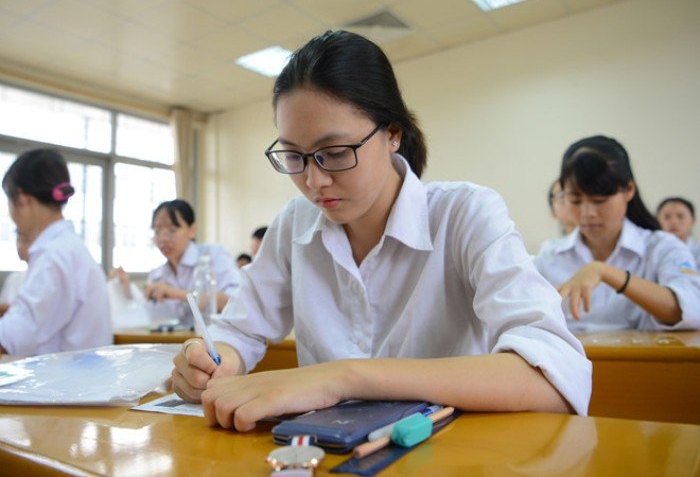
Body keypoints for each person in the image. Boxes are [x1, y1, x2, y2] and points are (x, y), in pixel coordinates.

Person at [173, 30, 591, 433]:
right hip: (325, 452)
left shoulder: (464, 213)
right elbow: (239, 331)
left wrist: (344, 378)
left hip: (449, 454)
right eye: (294, 156)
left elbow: (553, 376)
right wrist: (214, 360)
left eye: (335, 153)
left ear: (392, 134)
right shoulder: (294, 225)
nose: (314, 181)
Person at [535, 136, 700, 333]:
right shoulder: (550, 255)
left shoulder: (661, 247)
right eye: (575, 200)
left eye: (599, 200)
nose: (587, 213)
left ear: (629, 190)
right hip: (570, 353)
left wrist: (605, 272)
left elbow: (691, 309)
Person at [0, 148, 112, 355]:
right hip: (79, 371)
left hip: (70, 375)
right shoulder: (66, 248)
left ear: (22, 198)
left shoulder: (54, 255)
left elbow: (12, 337)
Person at [112, 199, 240, 325]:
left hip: (213, 337)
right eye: (157, 231)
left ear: (192, 230)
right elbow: (147, 316)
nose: (162, 239)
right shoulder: (157, 275)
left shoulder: (213, 256)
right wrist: (127, 289)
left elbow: (236, 303)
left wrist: (175, 293)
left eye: (171, 230)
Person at [657, 197, 700, 266]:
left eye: (680, 216)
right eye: (667, 217)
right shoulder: (650, 250)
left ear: (693, 221)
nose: (673, 222)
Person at [0, 230, 31, 316]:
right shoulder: (15, 278)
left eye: (26, 241)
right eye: (18, 240)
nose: (20, 246)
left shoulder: (48, 276)